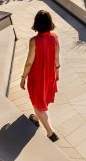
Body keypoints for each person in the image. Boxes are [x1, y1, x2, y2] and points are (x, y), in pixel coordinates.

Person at [20, 10, 60, 142]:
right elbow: (56, 58)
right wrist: (57, 73)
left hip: (38, 76)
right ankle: (36, 118)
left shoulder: (34, 41)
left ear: (36, 23)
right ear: (50, 22)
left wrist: (23, 77)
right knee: (42, 99)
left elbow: (29, 62)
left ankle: (50, 133)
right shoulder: (54, 37)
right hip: (50, 74)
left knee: (37, 103)